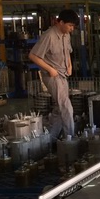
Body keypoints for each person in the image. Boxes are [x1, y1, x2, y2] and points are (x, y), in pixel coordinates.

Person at [29, 9, 79, 140]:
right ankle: (71, 140)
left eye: (73, 26)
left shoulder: (66, 35)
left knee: (59, 108)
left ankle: (50, 138)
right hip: (52, 76)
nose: (72, 29)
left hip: (63, 74)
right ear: (60, 22)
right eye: (70, 25)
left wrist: (69, 65)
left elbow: (67, 51)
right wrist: (50, 69)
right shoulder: (49, 36)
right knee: (66, 107)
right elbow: (33, 55)